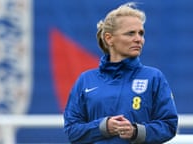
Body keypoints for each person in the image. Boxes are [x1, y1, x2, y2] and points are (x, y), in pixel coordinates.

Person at [63, 2, 178, 144]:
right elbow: (72, 131)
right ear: (109, 38)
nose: (138, 39)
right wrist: (103, 127)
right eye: (130, 33)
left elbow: (169, 126)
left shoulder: (154, 77)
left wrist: (136, 131)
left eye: (141, 33)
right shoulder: (86, 80)